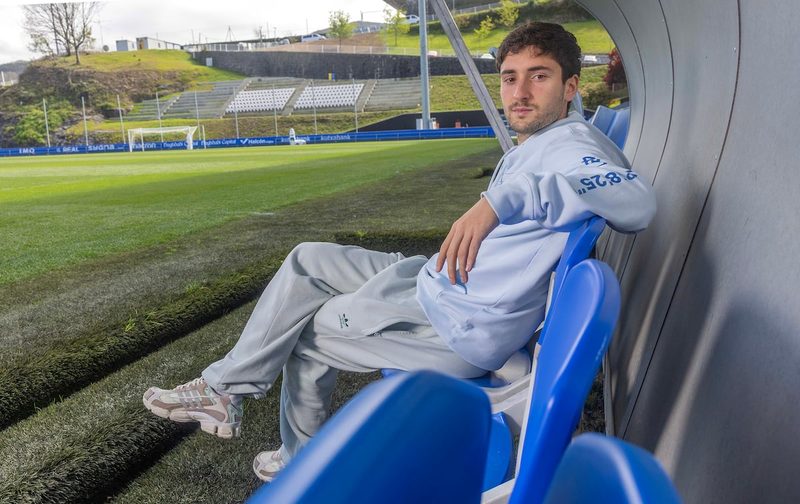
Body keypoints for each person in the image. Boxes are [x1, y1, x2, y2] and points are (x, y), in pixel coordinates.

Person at [143, 22, 656, 482]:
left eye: (538, 76)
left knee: (307, 330)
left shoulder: (572, 146)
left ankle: (298, 458)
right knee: (307, 258)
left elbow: (635, 204)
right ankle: (224, 391)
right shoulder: (557, 136)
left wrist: (499, 201)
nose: (519, 92)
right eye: (509, 77)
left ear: (570, 87)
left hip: (452, 325)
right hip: (439, 280)